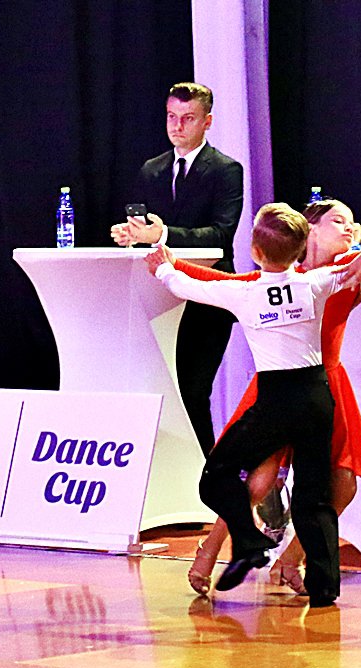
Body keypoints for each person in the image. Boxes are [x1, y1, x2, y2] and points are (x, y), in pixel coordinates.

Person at [177, 200, 361, 596]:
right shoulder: (283, 275)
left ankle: (292, 558)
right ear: (310, 230)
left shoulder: (347, 269)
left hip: (326, 386)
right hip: (277, 388)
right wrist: (169, 260)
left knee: (343, 486)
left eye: (353, 221)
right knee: (258, 480)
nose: (350, 228)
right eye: (338, 220)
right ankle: (211, 547)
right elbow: (214, 280)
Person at [112, 82, 245, 456]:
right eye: (172, 116)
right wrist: (133, 235)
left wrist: (163, 234)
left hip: (206, 299)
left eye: (188, 118)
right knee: (164, 393)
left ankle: (206, 477)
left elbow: (221, 234)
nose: (177, 126)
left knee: (193, 392)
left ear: (207, 122)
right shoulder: (152, 170)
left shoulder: (225, 170)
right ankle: (170, 474)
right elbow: (148, 229)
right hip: (160, 299)